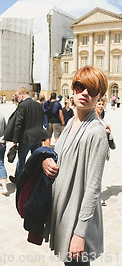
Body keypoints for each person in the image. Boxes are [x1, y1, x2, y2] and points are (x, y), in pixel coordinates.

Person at [42, 66, 109, 265]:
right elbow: (59, 156)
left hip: (77, 217)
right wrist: (46, 161)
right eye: (80, 86)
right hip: (63, 209)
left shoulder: (96, 131)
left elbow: (93, 187)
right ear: (73, 89)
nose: (85, 93)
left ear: (100, 96)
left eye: (92, 90)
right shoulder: (71, 122)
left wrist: (80, 233)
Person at [9, 87, 48, 183]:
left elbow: (19, 123)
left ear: (22, 94)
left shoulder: (22, 105)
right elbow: (41, 121)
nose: (18, 98)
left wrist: (15, 139)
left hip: (26, 138)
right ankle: (35, 178)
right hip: (37, 137)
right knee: (36, 159)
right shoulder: (38, 105)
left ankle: (19, 179)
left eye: (18, 96)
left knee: (21, 160)